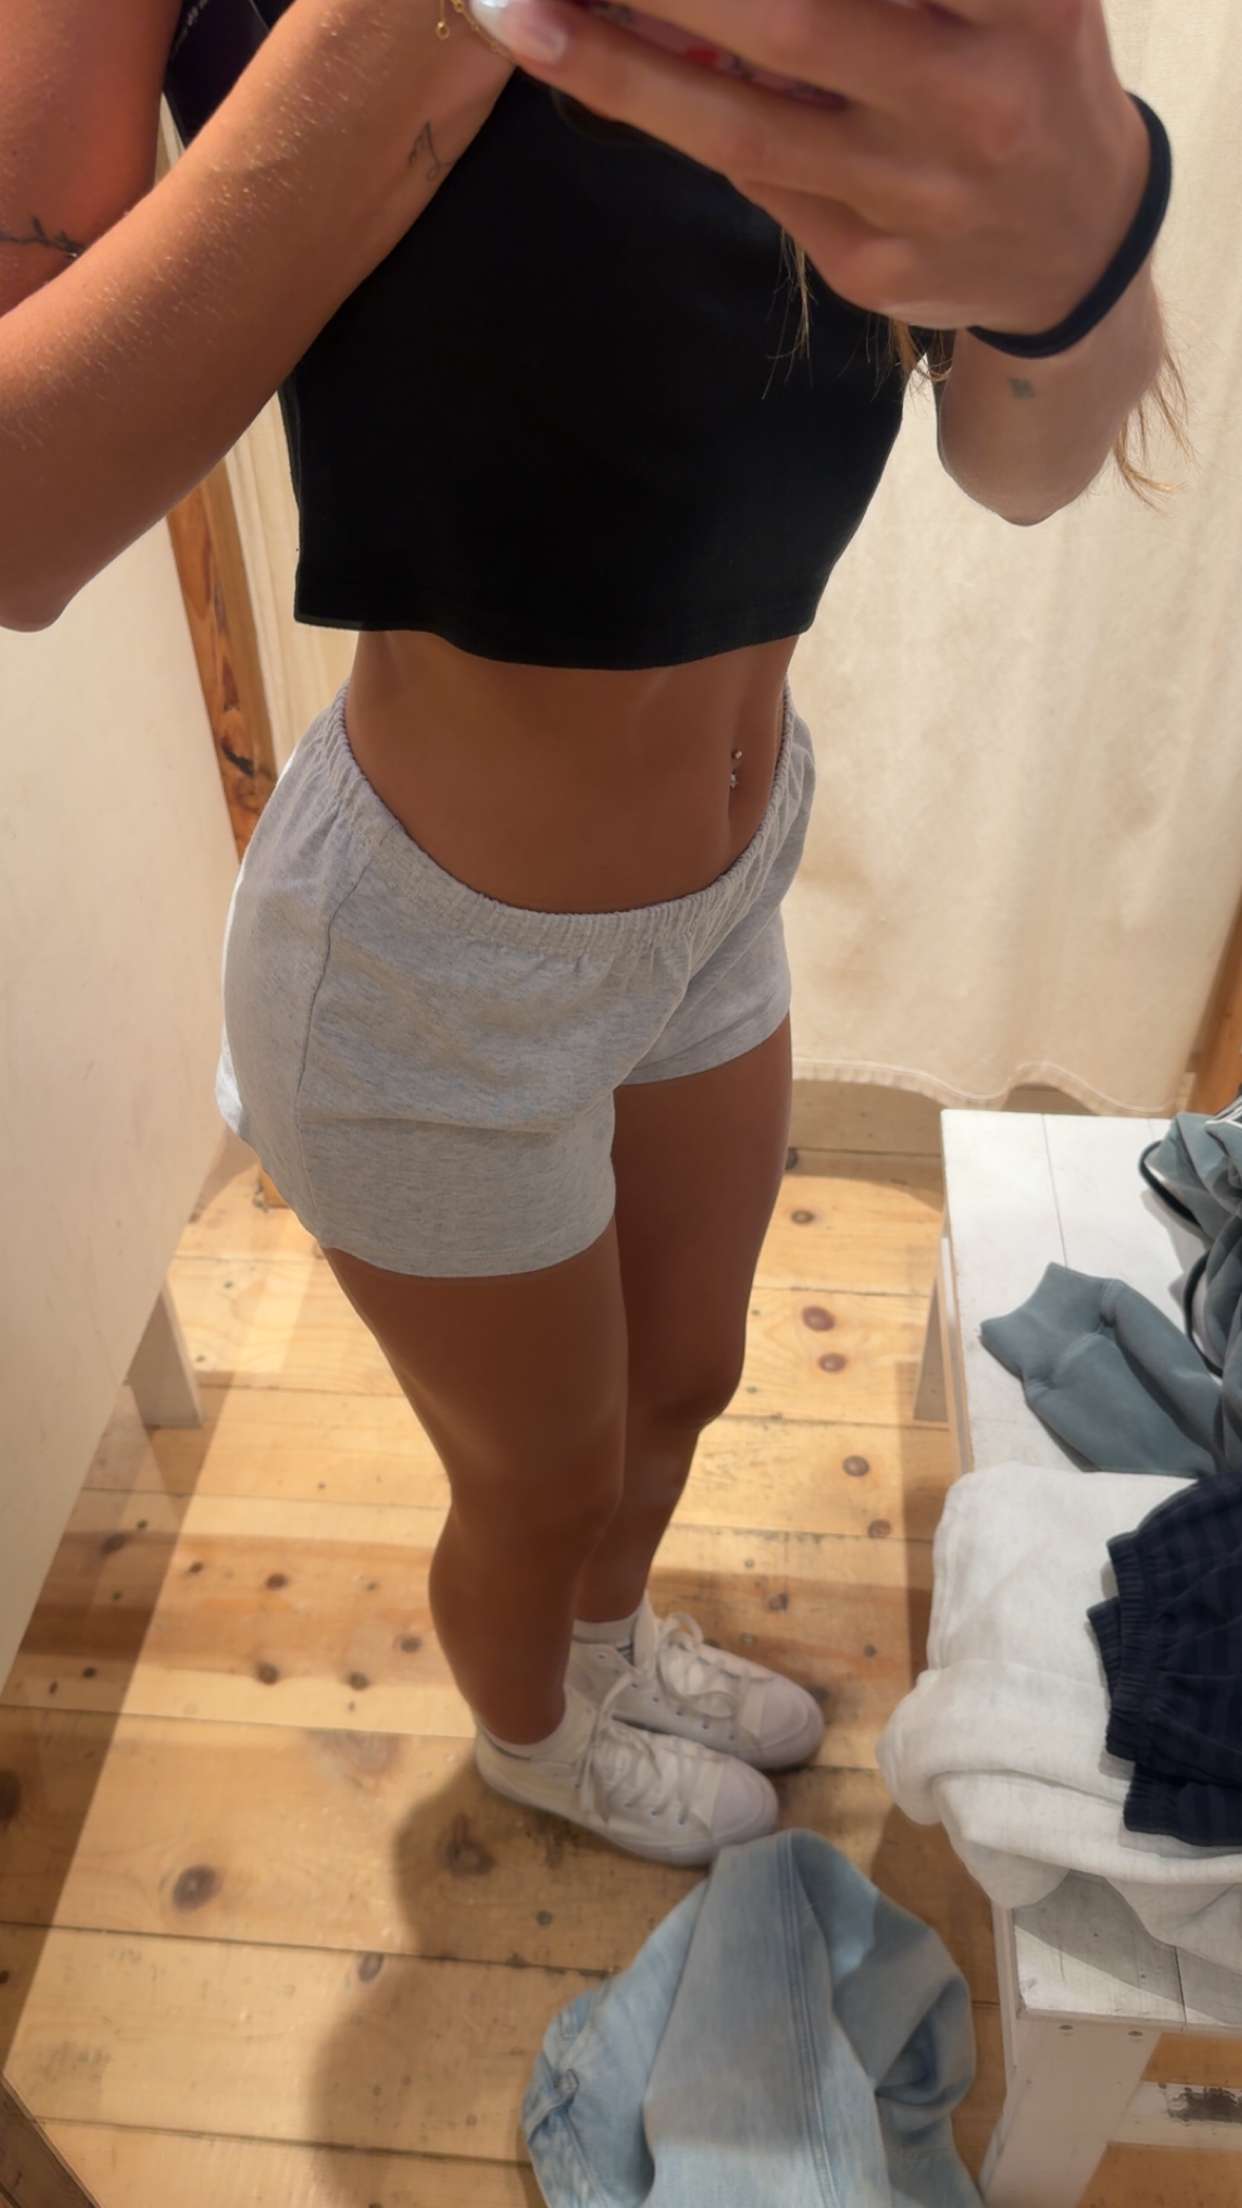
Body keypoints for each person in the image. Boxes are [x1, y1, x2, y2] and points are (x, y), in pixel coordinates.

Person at [3, 0, 1181, 1866]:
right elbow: (20, 527)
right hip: (429, 975)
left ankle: (609, 1654)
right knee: (537, 1480)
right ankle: (536, 1738)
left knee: (684, 1384)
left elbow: (1020, 467)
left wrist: (1089, 236)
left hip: (721, 886)